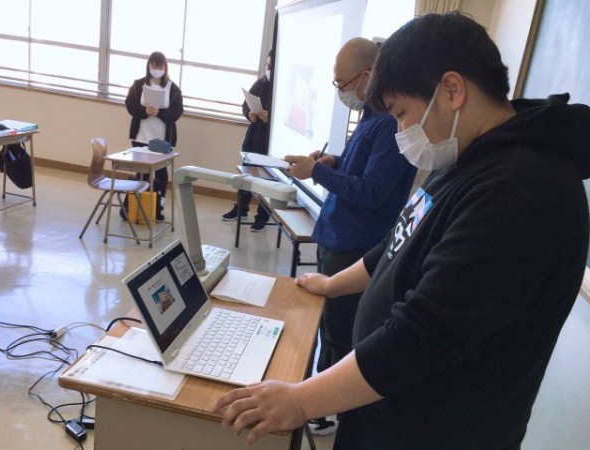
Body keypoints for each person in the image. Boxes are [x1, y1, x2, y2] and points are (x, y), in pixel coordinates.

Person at [213, 12, 590, 450]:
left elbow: (423, 337)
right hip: (386, 415)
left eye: (402, 113)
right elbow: (398, 243)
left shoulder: (518, 190)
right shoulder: (470, 156)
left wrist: (301, 400)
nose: (399, 131)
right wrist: (333, 284)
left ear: (451, 91)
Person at [284, 37, 416, 435]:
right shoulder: (372, 117)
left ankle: (327, 410)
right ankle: (322, 399)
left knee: (342, 333)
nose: (340, 91)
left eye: (342, 83)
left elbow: (373, 191)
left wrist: (317, 172)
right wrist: (332, 161)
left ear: (367, 76)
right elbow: (360, 169)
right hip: (338, 238)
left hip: (355, 245)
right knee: (330, 326)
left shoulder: (391, 124)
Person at [125, 51, 183, 220]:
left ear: (165, 68)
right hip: (141, 135)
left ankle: (159, 202)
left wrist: (160, 113)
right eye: (153, 65)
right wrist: (144, 111)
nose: (156, 69)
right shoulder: (138, 85)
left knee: (161, 171)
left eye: (160, 66)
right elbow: (130, 105)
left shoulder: (173, 89)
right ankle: (140, 202)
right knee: (142, 170)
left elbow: (177, 112)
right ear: (149, 66)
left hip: (162, 138)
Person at [221, 51, 274, 232]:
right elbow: (245, 105)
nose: (268, 69)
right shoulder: (260, 83)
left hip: (271, 143)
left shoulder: (283, 88)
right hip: (253, 137)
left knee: (267, 180)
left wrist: (271, 118)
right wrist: (249, 114)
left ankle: (262, 216)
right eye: (267, 65)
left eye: (272, 66)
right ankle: (241, 208)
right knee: (245, 176)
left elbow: (289, 118)